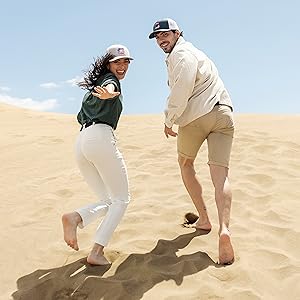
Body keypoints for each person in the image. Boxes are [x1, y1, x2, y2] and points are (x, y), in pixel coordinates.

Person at [148, 19, 235, 265]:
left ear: (177, 33)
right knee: (221, 174)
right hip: (224, 113)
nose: (161, 39)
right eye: (157, 37)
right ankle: (224, 229)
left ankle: (206, 220)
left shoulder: (182, 55)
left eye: (165, 34)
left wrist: (169, 119)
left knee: (186, 163)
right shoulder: (197, 52)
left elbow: (181, 90)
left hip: (197, 116)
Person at [62, 44, 133, 265]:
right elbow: (112, 89)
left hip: (82, 141)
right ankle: (96, 252)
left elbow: (80, 116)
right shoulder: (109, 82)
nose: (122, 66)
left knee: (108, 200)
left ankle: (76, 217)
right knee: (122, 199)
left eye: (125, 62)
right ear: (107, 64)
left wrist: (105, 96)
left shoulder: (93, 89)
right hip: (100, 138)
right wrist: (111, 94)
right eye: (117, 62)